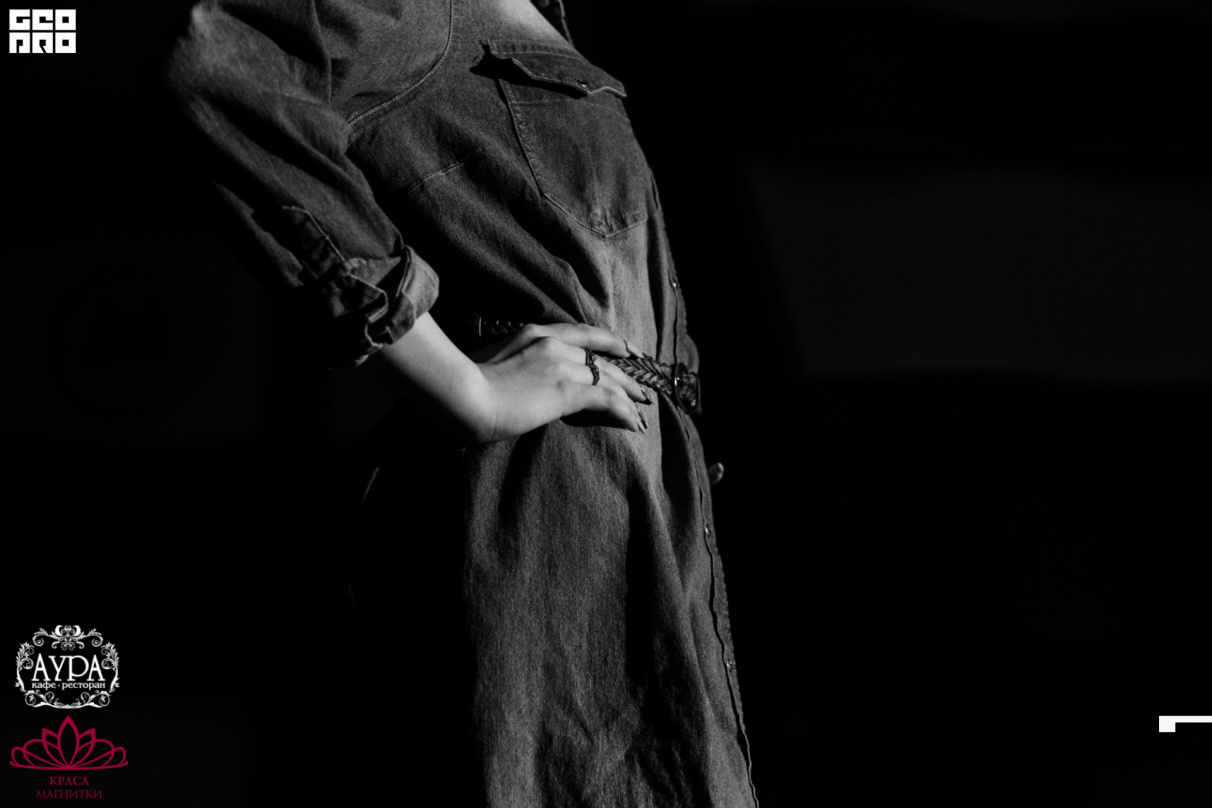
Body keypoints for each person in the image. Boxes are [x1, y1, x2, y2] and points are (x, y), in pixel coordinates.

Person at [167, 0, 758, 804]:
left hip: (637, 527)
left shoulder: (533, 11)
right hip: (541, 517)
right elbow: (218, 66)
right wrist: (465, 387)